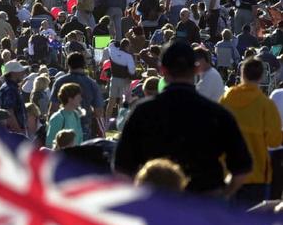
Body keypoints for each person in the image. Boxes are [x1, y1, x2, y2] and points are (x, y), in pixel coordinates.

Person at [114, 40, 253, 197]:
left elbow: (121, 168)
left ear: (162, 70)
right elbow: (242, 169)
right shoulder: (217, 114)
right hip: (203, 204)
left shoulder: (143, 112)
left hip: (158, 205)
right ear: (195, 69)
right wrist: (221, 195)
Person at [220, 58, 283, 205]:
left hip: (229, 172)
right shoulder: (265, 105)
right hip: (257, 172)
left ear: (241, 74)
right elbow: (274, 141)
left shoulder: (225, 100)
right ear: (261, 77)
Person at [50, 52, 104, 141]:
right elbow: (99, 112)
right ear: (84, 65)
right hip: (84, 126)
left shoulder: (59, 82)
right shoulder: (91, 83)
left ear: (68, 64)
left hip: (62, 126)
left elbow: (53, 108)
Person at [46, 83, 83, 148]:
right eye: (78, 97)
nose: (81, 99)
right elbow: (49, 144)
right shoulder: (57, 118)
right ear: (70, 99)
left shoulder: (76, 115)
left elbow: (80, 139)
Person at [0, 60, 27, 134]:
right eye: (20, 71)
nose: (23, 73)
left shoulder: (11, 87)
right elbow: (9, 113)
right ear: (13, 73)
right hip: (14, 133)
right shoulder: (9, 89)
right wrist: (19, 132)